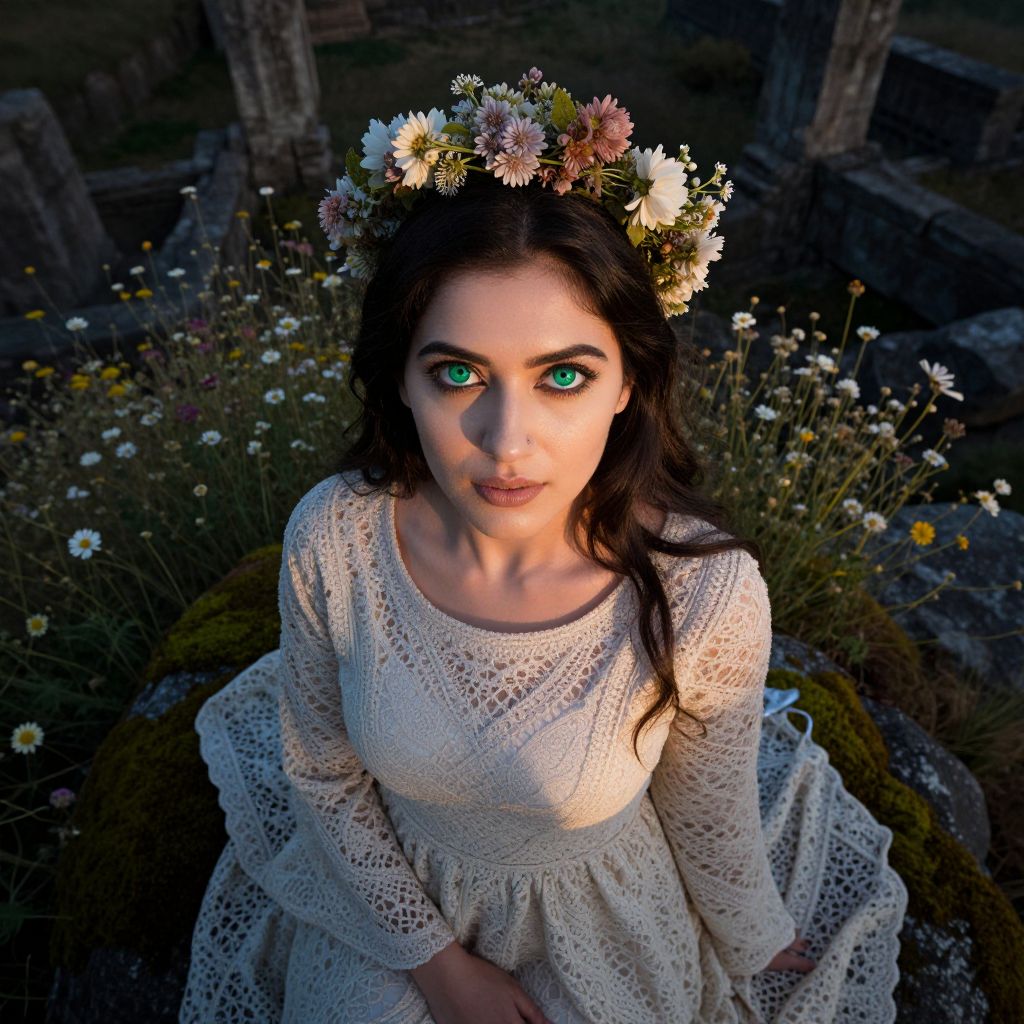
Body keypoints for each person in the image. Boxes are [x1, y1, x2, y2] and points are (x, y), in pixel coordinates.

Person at [179, 71, 907, 1024]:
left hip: (602, 919)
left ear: (628, 385)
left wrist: (752, 934)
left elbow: (706, 804)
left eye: (563, 374)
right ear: (398, 378)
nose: (506, 439)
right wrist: (438, 965)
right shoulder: (339, 538)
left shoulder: (702, 591)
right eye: (456, 373)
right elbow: (320, 771)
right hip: (391, 910)